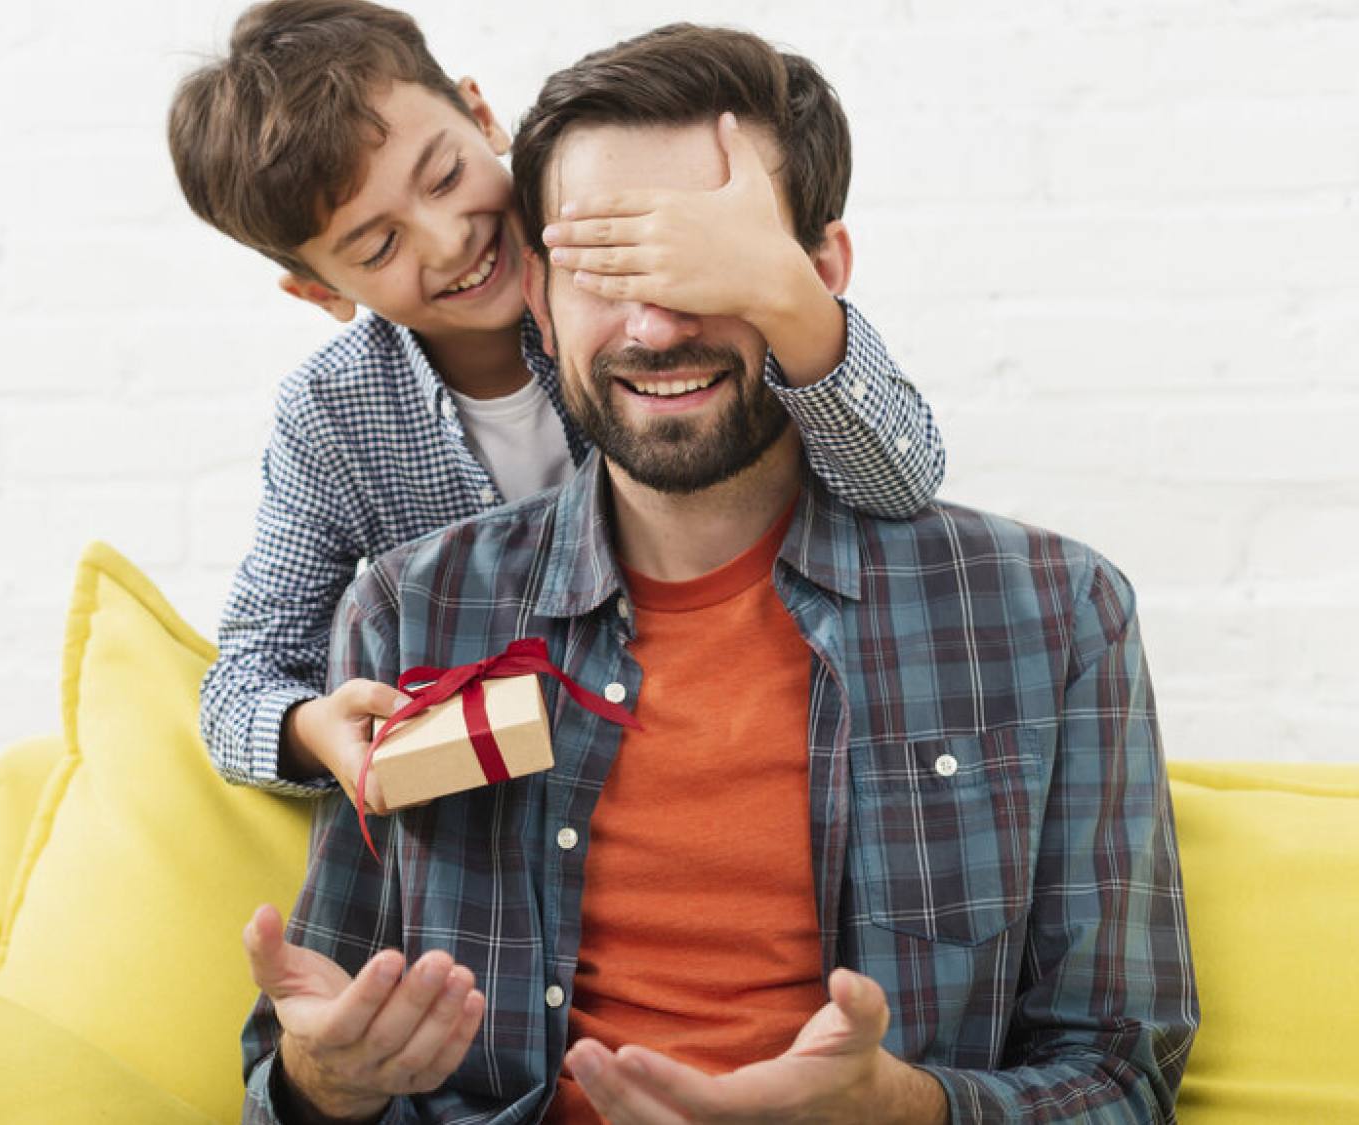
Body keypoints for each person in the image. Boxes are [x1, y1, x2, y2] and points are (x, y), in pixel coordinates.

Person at [239, 22, 1196, 1124]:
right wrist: (326, 1082)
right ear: (538, 301)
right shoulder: (413, 610)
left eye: (706, 266)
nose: (654, 323)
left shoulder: (1050, 614)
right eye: (604, 268)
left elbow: (1122, 1076)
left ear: (817, 276)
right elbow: (295, 1068)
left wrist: (902, 1109)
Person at [168, 0, 946, 810]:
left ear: (480, 114)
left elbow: (901, 481)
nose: (448, 238)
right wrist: (309, 730)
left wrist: (785, 290)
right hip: (538, 803)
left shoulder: (651, 294)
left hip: (748, 721)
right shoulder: (333, 414)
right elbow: (245, 674)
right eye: (378, 246)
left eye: (443, 176)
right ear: (320, 290)